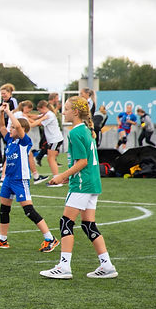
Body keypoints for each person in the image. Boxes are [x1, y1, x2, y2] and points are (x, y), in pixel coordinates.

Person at [40, 97, 118, 279]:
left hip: (82, 185)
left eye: (66, 109)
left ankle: (64, 267)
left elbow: (82, 162)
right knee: (88, 224)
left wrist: (61, 176)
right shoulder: (85, 130)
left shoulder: (75, 132)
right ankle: (107, 265)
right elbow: (86, 162)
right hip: (92, 183)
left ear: (75, 112)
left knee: (66, 222)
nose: (63, 112)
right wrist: (67, 177)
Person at [0, 103, 59, 252]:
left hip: (20, 180)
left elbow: (19, 126)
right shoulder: (10, 140)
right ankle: (2, 240)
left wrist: (9, 112)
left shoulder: (24, 142)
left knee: (29, 211)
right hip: (9, 179)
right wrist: (1, 112)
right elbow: (1, 126)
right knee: (4, 209)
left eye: (13, 127)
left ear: (22, 130)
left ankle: (50, 238)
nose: (10, 129)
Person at [30, 100, 64, 185]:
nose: (40, 112)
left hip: (55, 139)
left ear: (43, 108)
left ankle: (56, 180)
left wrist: (28, 121)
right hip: (53, 140)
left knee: (51, 159)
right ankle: (56, 178)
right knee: (50, 158)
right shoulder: (46, 114)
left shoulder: (49, 115)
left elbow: (37, 123)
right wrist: (25, 115)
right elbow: (35, 117)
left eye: (40, 110)